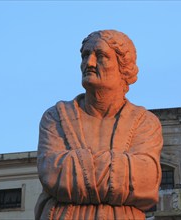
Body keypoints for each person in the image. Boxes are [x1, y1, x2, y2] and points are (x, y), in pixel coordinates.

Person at [35, 30, 163, 219]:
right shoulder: (55, 117)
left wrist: (76, 166)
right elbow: (52, 174)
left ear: (123, 66)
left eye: (101, 55)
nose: (90, 63)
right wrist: (119, 169)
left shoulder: (145, 122)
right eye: (85, 55)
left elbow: (146, 181)